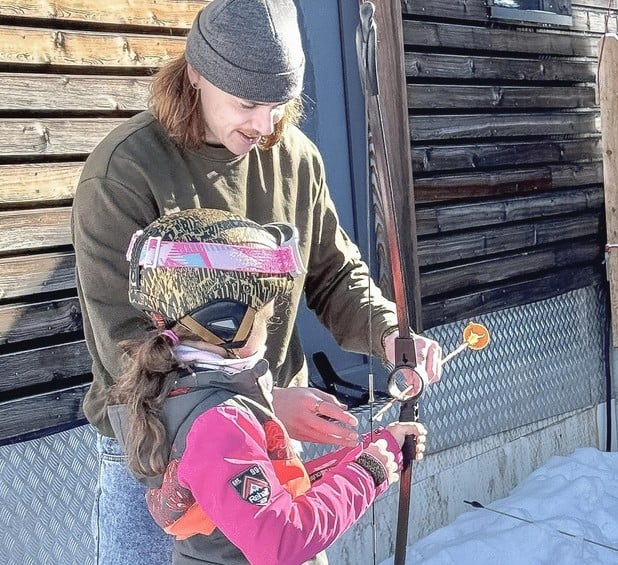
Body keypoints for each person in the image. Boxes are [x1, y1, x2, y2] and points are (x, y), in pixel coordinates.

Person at [70, 0, 441, 563]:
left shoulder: (295, 157)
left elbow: (334, 272)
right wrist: (257, 398)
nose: (264, 126)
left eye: (279, 104)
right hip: (154, 449)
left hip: (264, 435)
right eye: (247, 103)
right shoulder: (124, 171)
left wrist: (388, 333)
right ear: (196, 73)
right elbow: (125, 340)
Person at [106, 208, 427, 565]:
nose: (270, 330)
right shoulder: (218, 422)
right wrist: (370, 471)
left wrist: (369, 454)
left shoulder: (173, 390)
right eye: (267, 319)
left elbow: (270, 496)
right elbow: (282, 539)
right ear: (227, 324)